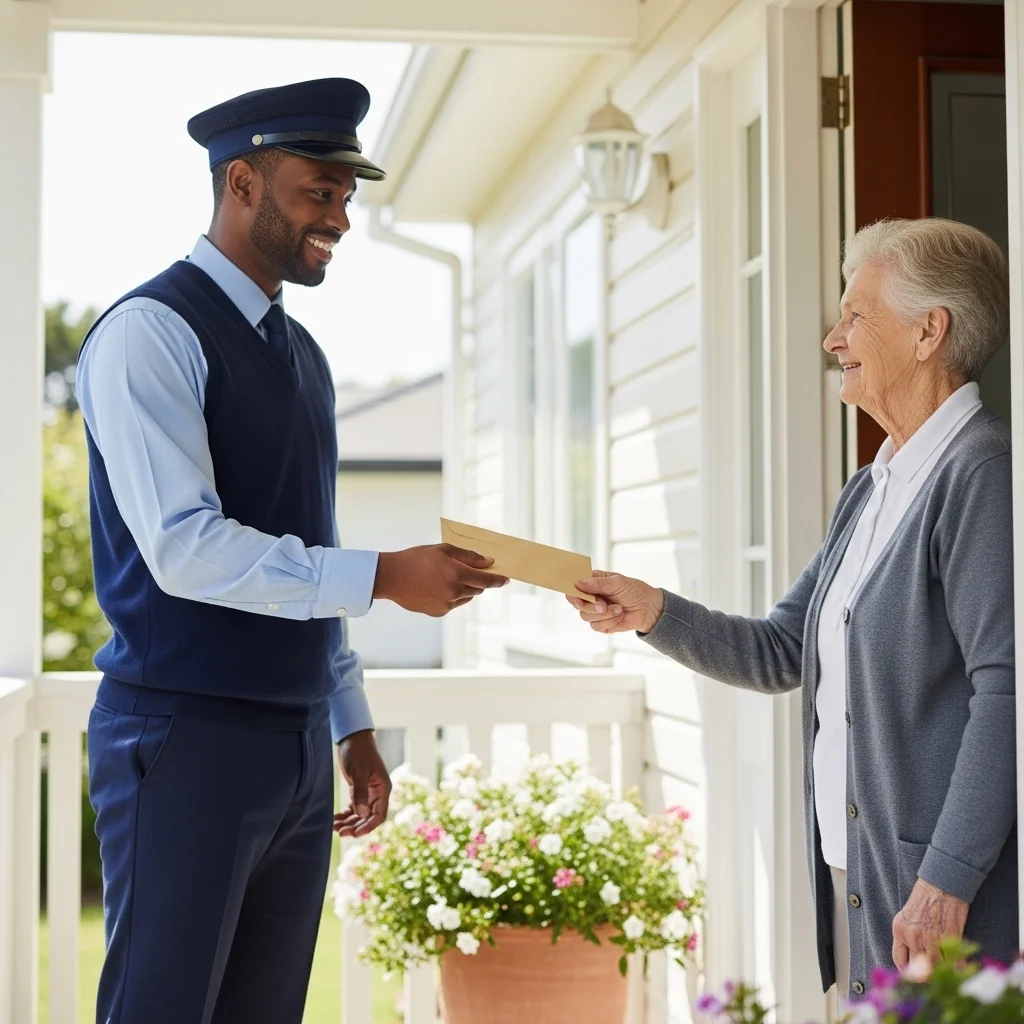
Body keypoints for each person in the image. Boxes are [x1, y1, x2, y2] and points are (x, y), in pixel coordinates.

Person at [78, 78, 508, 1024]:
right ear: (243, 183)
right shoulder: (149, 334)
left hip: (294, 747)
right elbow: (185, 550)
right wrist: (388, 579)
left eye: (348, 197)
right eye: (321, 191)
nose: (342, 218)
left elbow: (309, 546)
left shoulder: (303, 355)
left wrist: (350, 721)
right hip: (182, 739)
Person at [570, 218, 1016, 998]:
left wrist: (946, 878)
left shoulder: (978, 474)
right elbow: (784, 648)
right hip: (863, 874)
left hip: (935, 895)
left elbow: (1007, 691)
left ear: (927, 333)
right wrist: (652, 610)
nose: (832, 338)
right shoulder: (873, 487)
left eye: (855, 316)